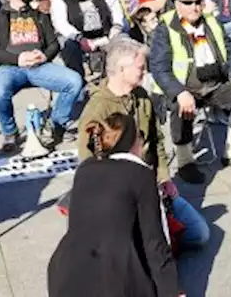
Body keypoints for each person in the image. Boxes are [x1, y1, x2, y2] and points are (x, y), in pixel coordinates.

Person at [77, 38, 209, 250]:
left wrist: (164, 176)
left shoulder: (141, 96)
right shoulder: (97, 111)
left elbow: (156, 140)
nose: (145, 72)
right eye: (140, 67)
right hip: (122, 196)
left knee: (199, 234)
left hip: (152, 185)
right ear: (121, 69)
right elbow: (89, 166)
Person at [47, 112, 180, 297]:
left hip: (64, 275)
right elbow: (155, 244)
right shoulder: (140, 175)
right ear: (135, 143)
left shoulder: (85, 169)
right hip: (115, 282)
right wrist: (172, 292)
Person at [148, 0, 231, 184]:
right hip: (184, 87)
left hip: (213, 85)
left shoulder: (212, 22)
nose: (194, 6)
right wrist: (179, 91)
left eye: (198, 1)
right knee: (180, 108)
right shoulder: (165, 28)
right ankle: (185, 162)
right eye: (188, 2)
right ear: (177, 4)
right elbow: (159, 68)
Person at [0, 0, 82, 152]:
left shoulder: (39, 15)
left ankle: (56, 123)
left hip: (39, 66)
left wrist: (45, 56)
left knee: (74, 81)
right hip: (11, 67)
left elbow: (53, 43)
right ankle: (10, 131)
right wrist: (17, 59)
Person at [51, 0, 126, 80]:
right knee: (70, 48)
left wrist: (117, 25)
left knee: (125, 44)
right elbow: (61, 24)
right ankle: (78, 86)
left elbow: (114, 5)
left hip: (106, 34)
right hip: (79, 39)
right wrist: (80, 39)